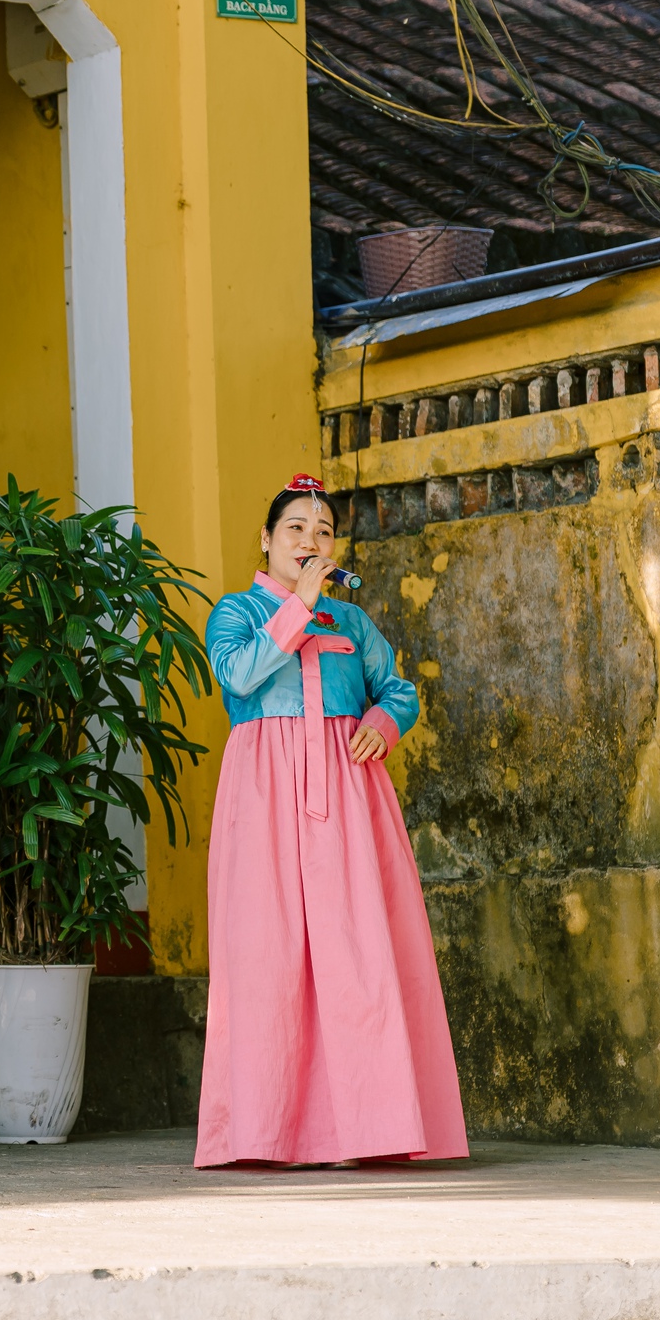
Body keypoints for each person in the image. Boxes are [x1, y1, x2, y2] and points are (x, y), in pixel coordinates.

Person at [194, 474, 467, 1169]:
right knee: (265, 957)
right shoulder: (235, 612)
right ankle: (263, 1133)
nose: (310, 542)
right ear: (266, 538)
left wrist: (384, 720)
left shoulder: (354, 623)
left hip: (348, 797)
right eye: (295, 529)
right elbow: (239, 676)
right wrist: (299, 608)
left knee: (360, 955)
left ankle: (371, 1130)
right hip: (262, 800)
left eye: (322, 531)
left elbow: (396, 688)